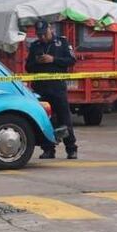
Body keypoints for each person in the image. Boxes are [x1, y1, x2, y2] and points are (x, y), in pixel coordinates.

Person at [26, 20, 78, 159]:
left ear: (50, 29)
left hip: (57, 87)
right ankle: (48, 149)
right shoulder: (35, 46)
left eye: (44, 34)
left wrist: (53, 60)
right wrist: (37, 62)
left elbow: (71, 60)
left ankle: (71, 148)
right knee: (45, 120)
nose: (42, 37)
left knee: (64, 119)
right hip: (41, 89)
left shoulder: (62, 42)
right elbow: (28, 67)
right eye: (39, 35)